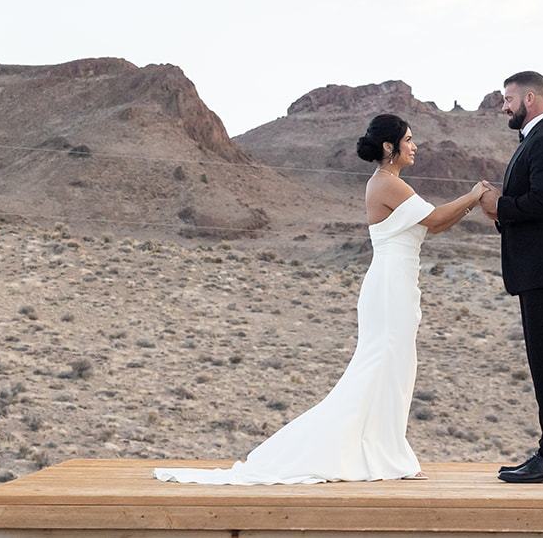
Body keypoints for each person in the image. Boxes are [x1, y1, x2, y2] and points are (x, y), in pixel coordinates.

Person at [155, 113, 487, 485]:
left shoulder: (391, 184)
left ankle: (385, 452)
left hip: (397, 284)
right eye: (408, 140)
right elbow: (438, 217)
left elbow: (438, 224)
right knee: (383, 367)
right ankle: (381, 455)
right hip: (390, 286)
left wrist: (471, 201)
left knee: (395, 368)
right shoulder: (386, 184)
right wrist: (474, 195)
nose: (415, 146)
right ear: (390, 147)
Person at [478, 71, 543, 484]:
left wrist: (499, 205)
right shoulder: (534, 141)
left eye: (508, 99)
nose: (504, 106)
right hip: (537, 269)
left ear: (531, 99)